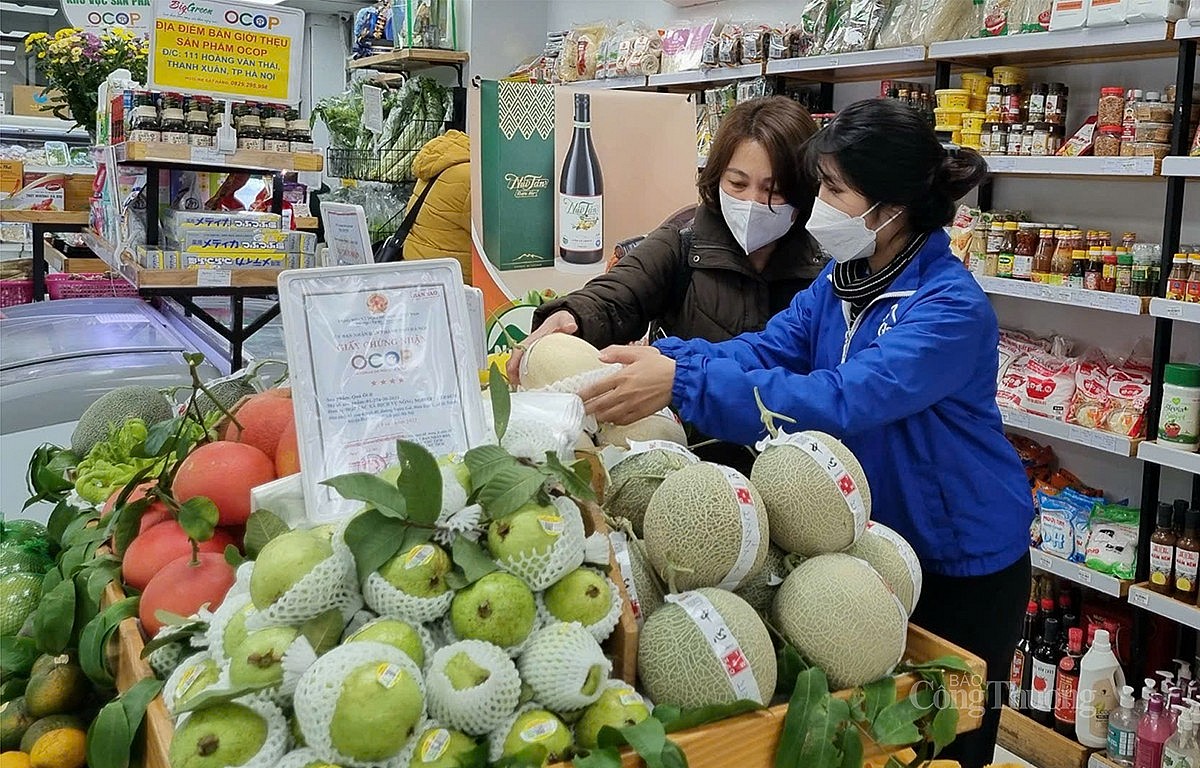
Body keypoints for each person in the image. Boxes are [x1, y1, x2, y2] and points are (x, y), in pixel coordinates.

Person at [577, 98, 1033, 768]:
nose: (817, 205)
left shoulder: (949, 309)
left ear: (894, 206)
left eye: (834, 190)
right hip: (873, 547)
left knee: (951, 741)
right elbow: (767, 349)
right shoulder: (842, 281)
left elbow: (841, 401)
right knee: (878, 744)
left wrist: (684, 384)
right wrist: (668, 359)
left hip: (963, 565)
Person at [507, 96, 824, 468]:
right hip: (687, 459)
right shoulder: (684, 241)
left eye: (773, 190)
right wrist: (574, 314)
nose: (753, 203)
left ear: (804, 190)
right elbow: (620, 292)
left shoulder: (825, 270)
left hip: (794, 463)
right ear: (717, 176)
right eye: (737, 183)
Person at [401, 129, 472, 280]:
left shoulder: (439, 166)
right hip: (452, 280)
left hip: (420, 270)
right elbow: (491, 237)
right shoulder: (469, 176)